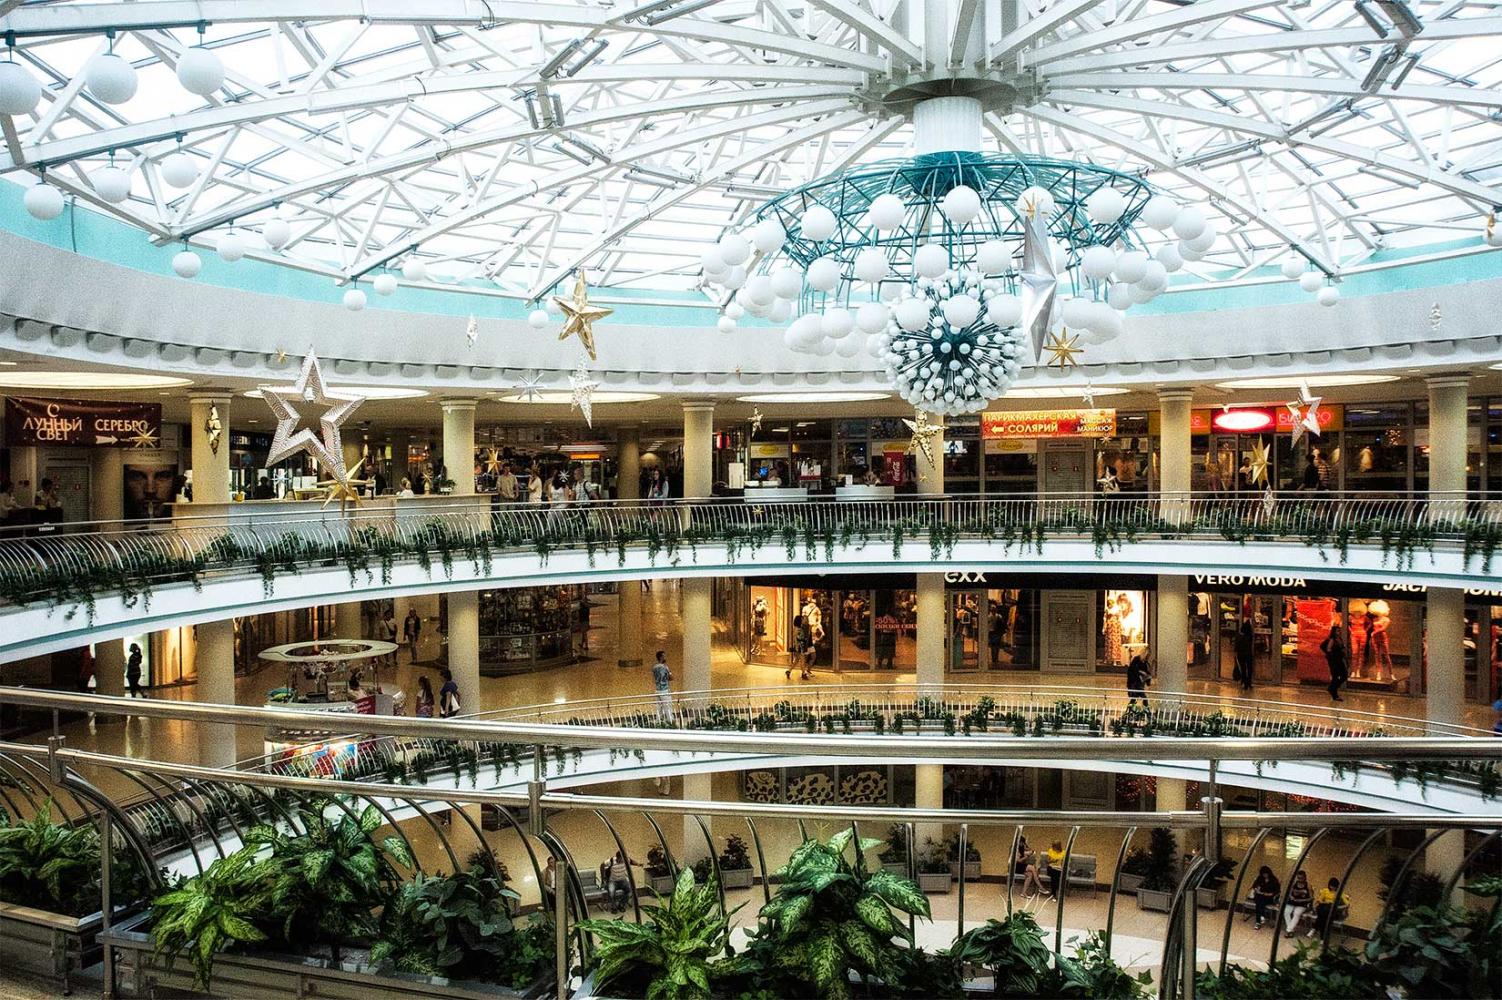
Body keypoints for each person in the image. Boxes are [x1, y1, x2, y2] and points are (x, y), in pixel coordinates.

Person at [1321, 620, 1350, 702]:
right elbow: (1328, 649)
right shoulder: (1332, 639)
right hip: (1335, 661)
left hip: (1340, 659)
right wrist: (1331, 657)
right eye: (1337, 631)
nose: (1339, 632)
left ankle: (1332, 688)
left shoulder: (1339, 639)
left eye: (1339, 630)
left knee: (1343, 675)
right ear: (1334, 632)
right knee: (1336, 676)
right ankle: (1334, 692)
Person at [1283, 870, 1313, 935]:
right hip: (1292, 902)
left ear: (1305, 877)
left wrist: (1301, 900)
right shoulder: (1294, 884)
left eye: (1301, 878)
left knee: (1296, 913)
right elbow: (1289, 893)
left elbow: (1311, 898)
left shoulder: (1308, 886)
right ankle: (1291, 930)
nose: (1300, 879)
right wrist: (1291, 897)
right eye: (1298, 878)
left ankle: (1289, 930)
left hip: (1302, 903)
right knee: (1286, 912)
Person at [1015, 835, 1044, 900]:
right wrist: (1026, 856)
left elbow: (1030, 850)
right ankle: (1040, 886)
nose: (1023, 844)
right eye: (1022, 843)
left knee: (1030, 875)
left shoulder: (1021, 847)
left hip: (1021, 866)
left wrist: (1029, 850)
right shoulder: (1016, 849)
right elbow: (1018, 860)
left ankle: (1023, 892)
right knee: (1032, 868)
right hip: (1016, 866)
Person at [787, 614, 812, 681]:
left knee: (797, 660)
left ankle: (789, 671)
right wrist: (797, 646)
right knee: (802, 660)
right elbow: (795, 638)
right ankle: (803, 673)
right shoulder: (797, 628)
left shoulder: (800, 628)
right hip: (799, 646)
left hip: (801, 645)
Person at [652, 650, 673, 723]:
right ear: (661, 657)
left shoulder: (654, 667)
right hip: (664, 690)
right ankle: (671, 723)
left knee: (658, 709)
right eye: (664, 656)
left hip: (657, 690)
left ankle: (658, 723)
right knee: (668, 708)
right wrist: (670, 673)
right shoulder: (665, 667)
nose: (665, 657)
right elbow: (671, 678)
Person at [1234, 620, 1255, 692]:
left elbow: (1236, 647)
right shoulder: (1249, 637)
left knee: (1242, 669)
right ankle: (1248, 682)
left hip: (1240, 654)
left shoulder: (1238, 637)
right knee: (1249, 669)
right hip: (1248, 654)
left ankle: (1243, 681)